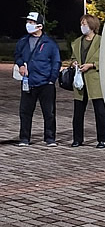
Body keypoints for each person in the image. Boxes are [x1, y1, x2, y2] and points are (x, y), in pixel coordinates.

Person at [14, 11, 61, 146]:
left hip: (46, 83)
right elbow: (17, 55)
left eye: (31, 22)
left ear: (40, 26)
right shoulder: (23, 41)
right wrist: (20, 65)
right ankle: (24, 138)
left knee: (49, 112)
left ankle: (50, 138)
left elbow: (56, 61)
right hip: (28, 82)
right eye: (27, 22)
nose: (28, 25)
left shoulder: (49, 43)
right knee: (25, 112)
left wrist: (52, 79)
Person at [70, 14, 105, 148]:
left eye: (85, 24)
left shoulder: (101, 41)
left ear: (92, 25)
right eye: (81, 23)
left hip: (94, 80)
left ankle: (103, 139)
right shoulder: (77, 42)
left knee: (100, 111)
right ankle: (77, 139)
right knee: (78, 112)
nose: (82, 26)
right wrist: (74, 63)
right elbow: (72, 58)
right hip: (80, 81)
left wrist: (92, 65)